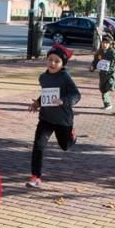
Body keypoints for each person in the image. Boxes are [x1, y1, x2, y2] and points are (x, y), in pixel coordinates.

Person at [26, 44, 80, 188]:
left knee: (64, 146)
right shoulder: (43, 77)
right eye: (50, 59)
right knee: (38, 146)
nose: (53, 63)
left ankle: (72, 136)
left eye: (57, 61)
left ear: (62, 64)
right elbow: (46, 94)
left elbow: (76, 95)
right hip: (46, 118)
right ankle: (36, 177)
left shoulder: (65, 77)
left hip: (63, 119)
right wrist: (37, 103)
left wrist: (64, 101)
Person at [90, 35, 115, 112]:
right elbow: (95, 61)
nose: (104, 44)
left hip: (111, 73)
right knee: (103, 89)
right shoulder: (99, 52)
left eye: (106, 43)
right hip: (102, 74)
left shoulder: (113, 52)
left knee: (110, 85)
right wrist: (92, 66)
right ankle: (107, 104)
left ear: (109, 44)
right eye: (103, 43)